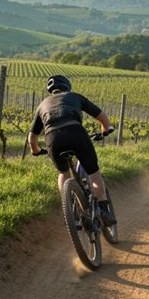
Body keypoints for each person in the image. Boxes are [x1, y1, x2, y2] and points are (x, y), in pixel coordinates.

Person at [28, 74, 115, 223]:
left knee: (63, 172)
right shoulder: (74, 97)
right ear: (67, 87)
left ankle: (69, 208)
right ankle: (104, 211)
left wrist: (36, 150)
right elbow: (101, 116)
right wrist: (106, 129)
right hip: (76, 133)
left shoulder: (42, 105)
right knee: (93, 172)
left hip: (53, 139)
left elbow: (32, 138)